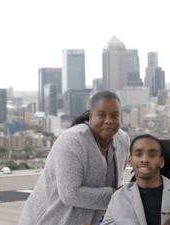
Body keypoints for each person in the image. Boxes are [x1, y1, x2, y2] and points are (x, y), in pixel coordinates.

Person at [18, 91, 130, 225]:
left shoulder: (122, 140)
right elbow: (70, 194)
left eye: (115, 115)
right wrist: (118, 195)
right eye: (101, 115)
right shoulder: (73, 140)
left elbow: (117, 182)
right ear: (90, 116)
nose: (109, 121)